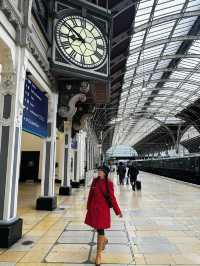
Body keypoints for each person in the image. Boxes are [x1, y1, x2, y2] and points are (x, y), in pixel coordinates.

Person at [85, 166, 122, 266]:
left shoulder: (108, 183)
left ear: (105, 173)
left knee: (100, 229)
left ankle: (98, 254)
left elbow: (112, 198)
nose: (99, 172)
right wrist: (88, 207)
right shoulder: (95, 181)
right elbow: (90, 194)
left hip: (102, 210)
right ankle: (104, 239)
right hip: (93, 208)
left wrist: (118, 211)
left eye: (101, 171)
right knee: (96, 227)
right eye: (98, 171)